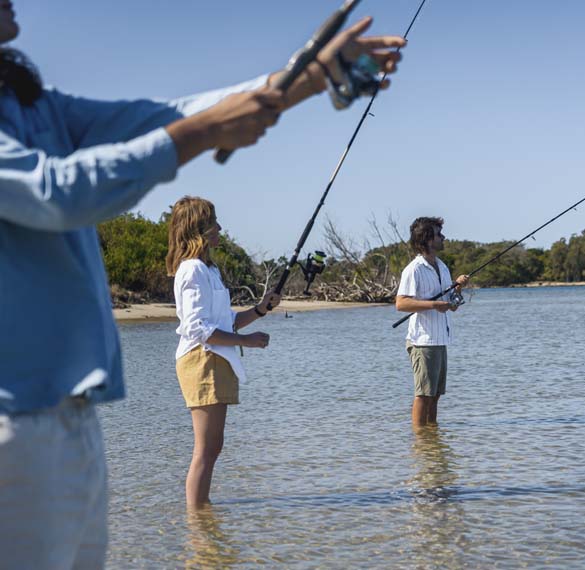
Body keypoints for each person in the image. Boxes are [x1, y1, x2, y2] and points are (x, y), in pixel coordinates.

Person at [0, 1, 405, 566]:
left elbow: (166, 113)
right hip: (13, 418)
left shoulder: (33, 104)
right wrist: (203, 132)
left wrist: (304, 79)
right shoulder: (190, 267)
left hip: (74, 408)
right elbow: (61, 192)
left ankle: (204, 546)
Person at [167, 197, 276, 508]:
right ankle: (197, 519)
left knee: (214, 446)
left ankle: (203, 514)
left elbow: (226, 321)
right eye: (213, 223)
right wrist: (247, 341)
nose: (219, 228)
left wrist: (260, 310)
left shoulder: (208, 270)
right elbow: (197, 329)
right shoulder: (192, 270)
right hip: (202, 361)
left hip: (217, 359)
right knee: (205, 448)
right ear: (198, 229)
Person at [395, 217, 469, 427]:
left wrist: (457, 289)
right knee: (423, 394)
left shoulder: (442, 267)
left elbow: (451, 304)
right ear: (428, 240)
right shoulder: (414, 269)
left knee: (435, 394)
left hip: (440, 338)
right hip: (422, 340)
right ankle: (420, 439)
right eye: (438, 234)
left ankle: (432, 436)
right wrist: (434, 305)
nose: (443, 237)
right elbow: (401, 304)